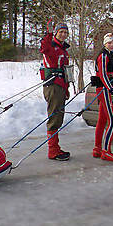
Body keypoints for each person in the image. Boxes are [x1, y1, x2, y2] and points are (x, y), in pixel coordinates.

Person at [40, 21, 71, 161]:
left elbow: (66, 71)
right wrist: (49, 34)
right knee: (54, 117)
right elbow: (44, 48)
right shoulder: (52, 46)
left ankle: (56, 148)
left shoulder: (63, 50)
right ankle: (52, 151)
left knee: (58, 117)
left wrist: (67, 88)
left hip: (61, 85)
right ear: (56, 33)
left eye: (65, 32)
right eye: (61, 32)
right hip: (53, 85)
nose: (63, 34)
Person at [93, 33, 113, 162]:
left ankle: (97, 148)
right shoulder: (103, 55)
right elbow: (103, 75)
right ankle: (106, 151)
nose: (111, 44)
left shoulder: (109, 55)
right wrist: (111, 90)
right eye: (109, 42)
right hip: (104, 89)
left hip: (105, 88)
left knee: (102, 119)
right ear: (104, 43)